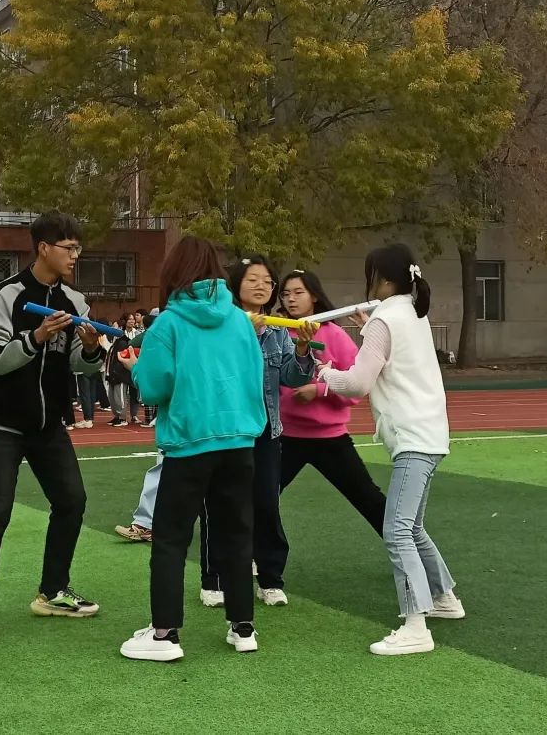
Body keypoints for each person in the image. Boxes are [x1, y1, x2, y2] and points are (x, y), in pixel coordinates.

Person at [0, 211, 105, 638]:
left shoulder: (75, 302)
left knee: (72, 501)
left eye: (78, 248)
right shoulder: (8, 294)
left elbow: (82, 366)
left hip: (48, 423)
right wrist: (36, 337)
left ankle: (53, 590)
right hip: (0, 421)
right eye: (69, 248)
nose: (75, 255)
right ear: (43, 248)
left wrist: (90, 348)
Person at [118, 236, 266, 661]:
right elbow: (254, 376)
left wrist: (136, 368)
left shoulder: (168, 323)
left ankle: (165, 634)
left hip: (189, 444)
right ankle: (243, 626)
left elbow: (154, 386)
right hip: (239, 441)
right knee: (236, 535)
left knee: (170, 539)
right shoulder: (239, 320)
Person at [319, 244, 463, 656]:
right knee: (410, 527)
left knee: (396, 529)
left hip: (415, 438)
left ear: (382, 279)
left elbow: (358, 382)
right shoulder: (411, 313)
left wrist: (325, 373)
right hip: (429, 434)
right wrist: (371, 329)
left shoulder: (387, 319)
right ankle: (444, 597)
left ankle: (416, 625)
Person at [199, 256, 316, 609]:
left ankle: (270, 578)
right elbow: (215, 371)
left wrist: (302, 349)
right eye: (253, 279)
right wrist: (244, 336)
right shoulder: (221, 325)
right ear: (236, 285)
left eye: (267, 281)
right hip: (226, 431)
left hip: (266, 432)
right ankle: (214, 578)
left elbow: (292, 378)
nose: (261, 286)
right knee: (220, 506)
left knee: (266, 504)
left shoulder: (279, 331)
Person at [277, 270, 387, 562]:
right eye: (285, 294)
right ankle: (251, 556)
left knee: (370, 499)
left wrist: (320, 390)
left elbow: (356, 388)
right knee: (259, 498)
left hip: (331, 440)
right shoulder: (278, 333)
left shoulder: (334, 335)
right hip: (286, 437)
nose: (291, 299)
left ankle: (409, 552)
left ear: (314, 296)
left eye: (298, 293)